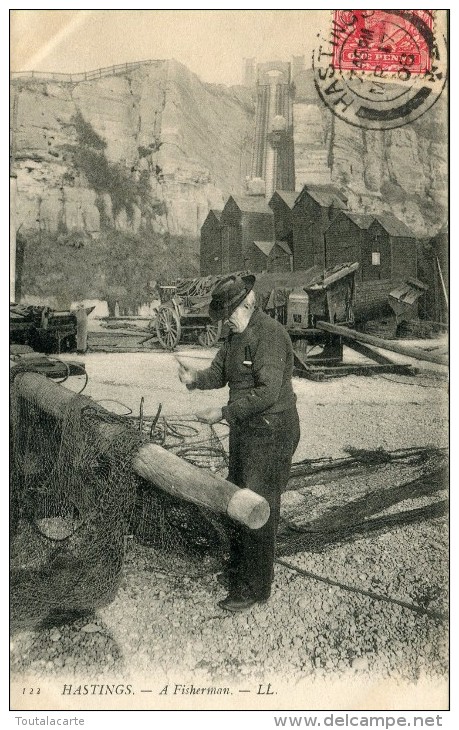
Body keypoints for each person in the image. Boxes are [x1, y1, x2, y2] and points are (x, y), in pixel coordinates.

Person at [178, 274, 300, 612]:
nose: (227, 320)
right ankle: (241, 570)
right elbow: (219, 373)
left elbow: (267, 393)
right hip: (247, 428)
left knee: (259, 506)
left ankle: (255, 588)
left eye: (231, 312)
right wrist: (194, 379)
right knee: (237, 496)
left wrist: (222, 412)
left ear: (248, 302)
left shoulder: (270, 334)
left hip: (272, 429)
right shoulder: (234, 336)